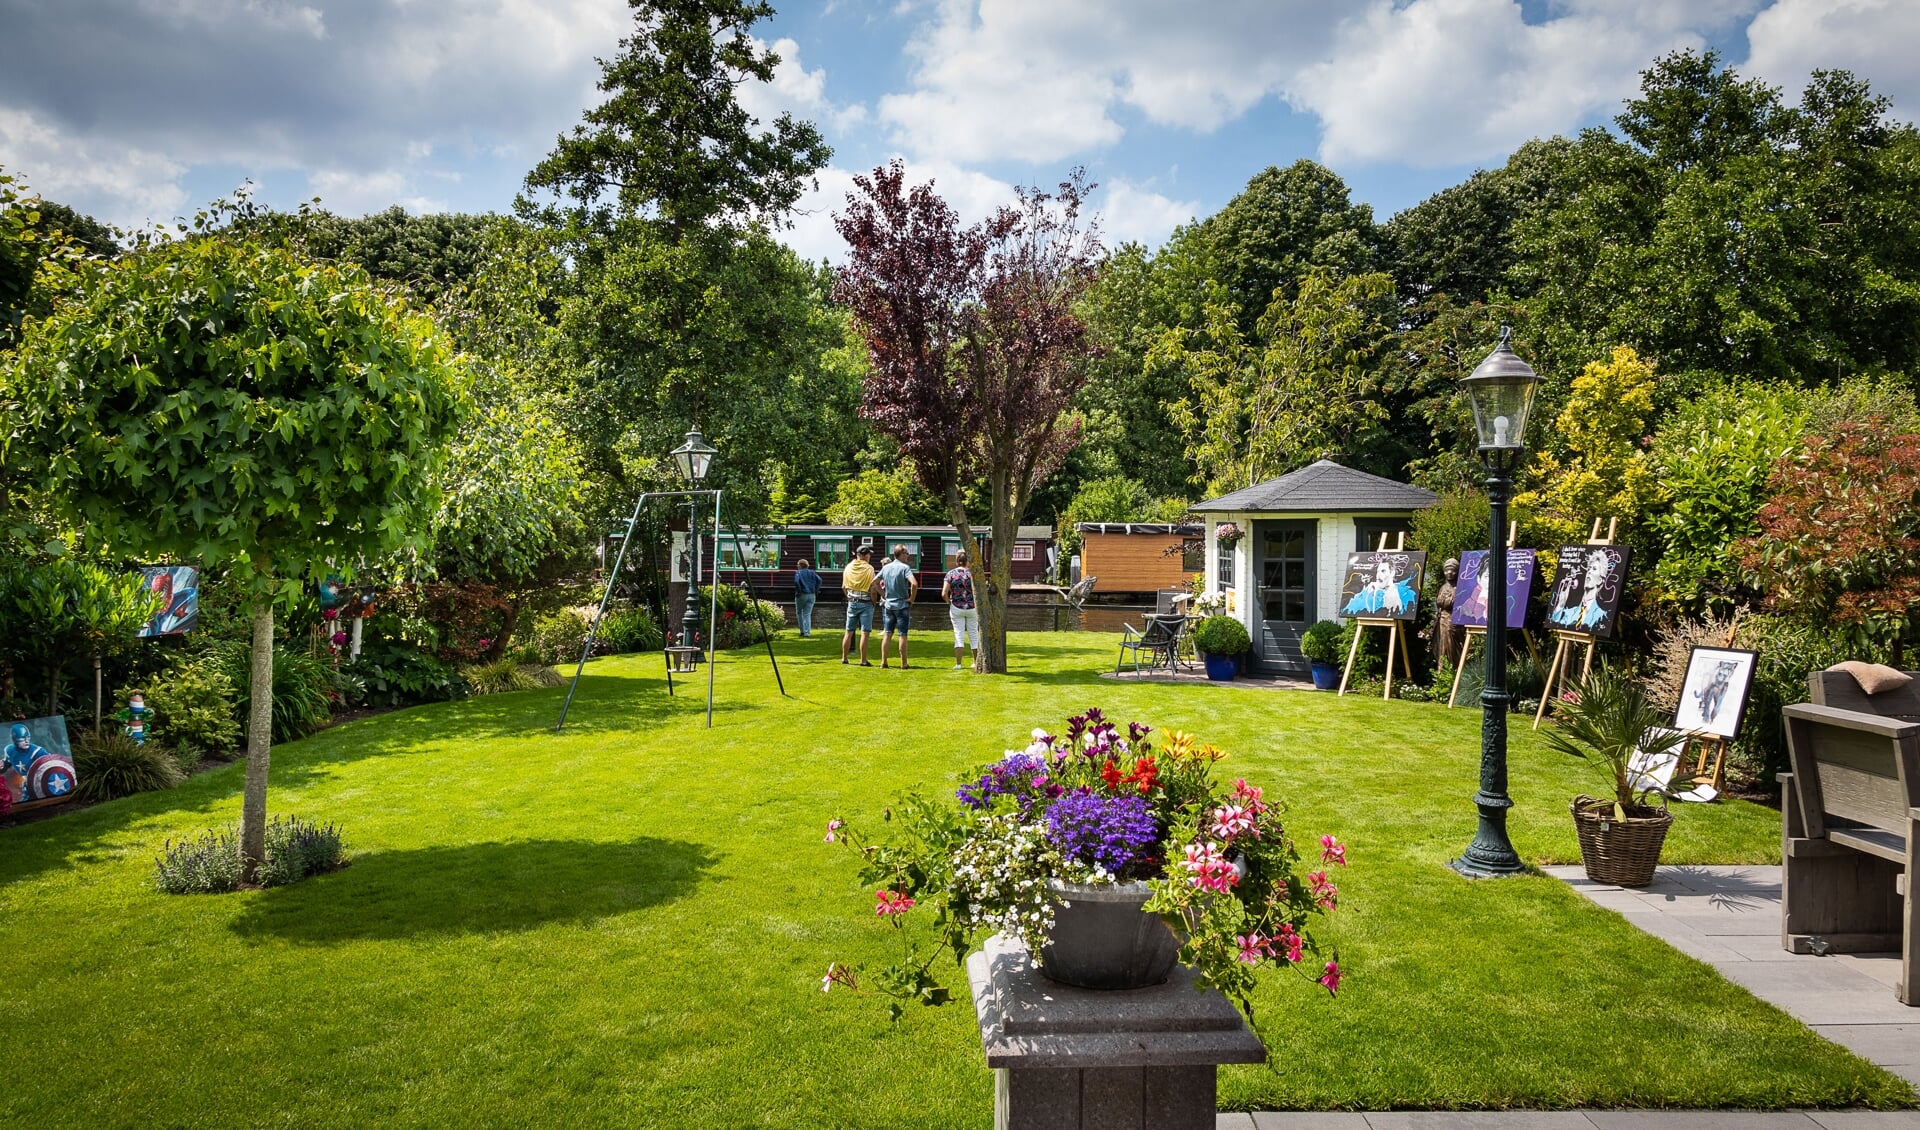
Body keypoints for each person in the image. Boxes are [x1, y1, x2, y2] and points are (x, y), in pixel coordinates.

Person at [877, 544, 919, 669]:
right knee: (902, 635)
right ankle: (904, 663)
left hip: (889, 605)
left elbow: (874, 583)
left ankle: (883, 662)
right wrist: (911, 598)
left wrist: (884, 595)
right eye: (906, 553)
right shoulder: (905, 568)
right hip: (902, 605)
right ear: (900, 553)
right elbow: (914, 584)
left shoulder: (886, 567)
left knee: (887, 634)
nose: (908, 555)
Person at [841, 546, 880, 665]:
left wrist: (849, 598)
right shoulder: (869, 569)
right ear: (864, 555)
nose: (870, 557)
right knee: (865, 632)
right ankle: (863, 660)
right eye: (869, 554)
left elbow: (844, 587)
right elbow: (873, 588)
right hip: (866, 602)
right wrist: (874, 601)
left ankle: (844, 658)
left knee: (849, 632)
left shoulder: (848, 567)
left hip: (852, 602)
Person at [942, 548, 979, 670]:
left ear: (957, 561)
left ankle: (958, 664)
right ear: (967, 560)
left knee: (959, 635)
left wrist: (949, 602)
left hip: (956, 607)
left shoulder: (950, 574)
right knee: (973, 634)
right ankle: (976, 662)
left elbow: (944, 593)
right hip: (972, 607)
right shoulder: (972, 573)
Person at [1433, 558, 1460, 666]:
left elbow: (1451, 603)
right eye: (1446, 570)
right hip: (1442, 621)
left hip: (1453, 621)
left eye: (1452, 570)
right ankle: (1442, 671)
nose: (1449, 572)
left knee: (1451, 647)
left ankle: (1452, 670)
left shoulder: (1458, 588)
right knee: (1441, 647)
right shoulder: (1443, 587)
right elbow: (1439, 602)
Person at [791, 558, 822, 638]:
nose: (797, 566)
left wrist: (799, 591)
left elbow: (796, 582)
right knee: (807, 614)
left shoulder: (798, 573)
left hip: (802, 594)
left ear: (800, 565)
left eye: (798, 564)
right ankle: (807, 632)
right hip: (812, 594)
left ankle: (802, 631)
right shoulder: (812, 572)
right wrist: (816, 590)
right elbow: (819, 580)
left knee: (799, 612)